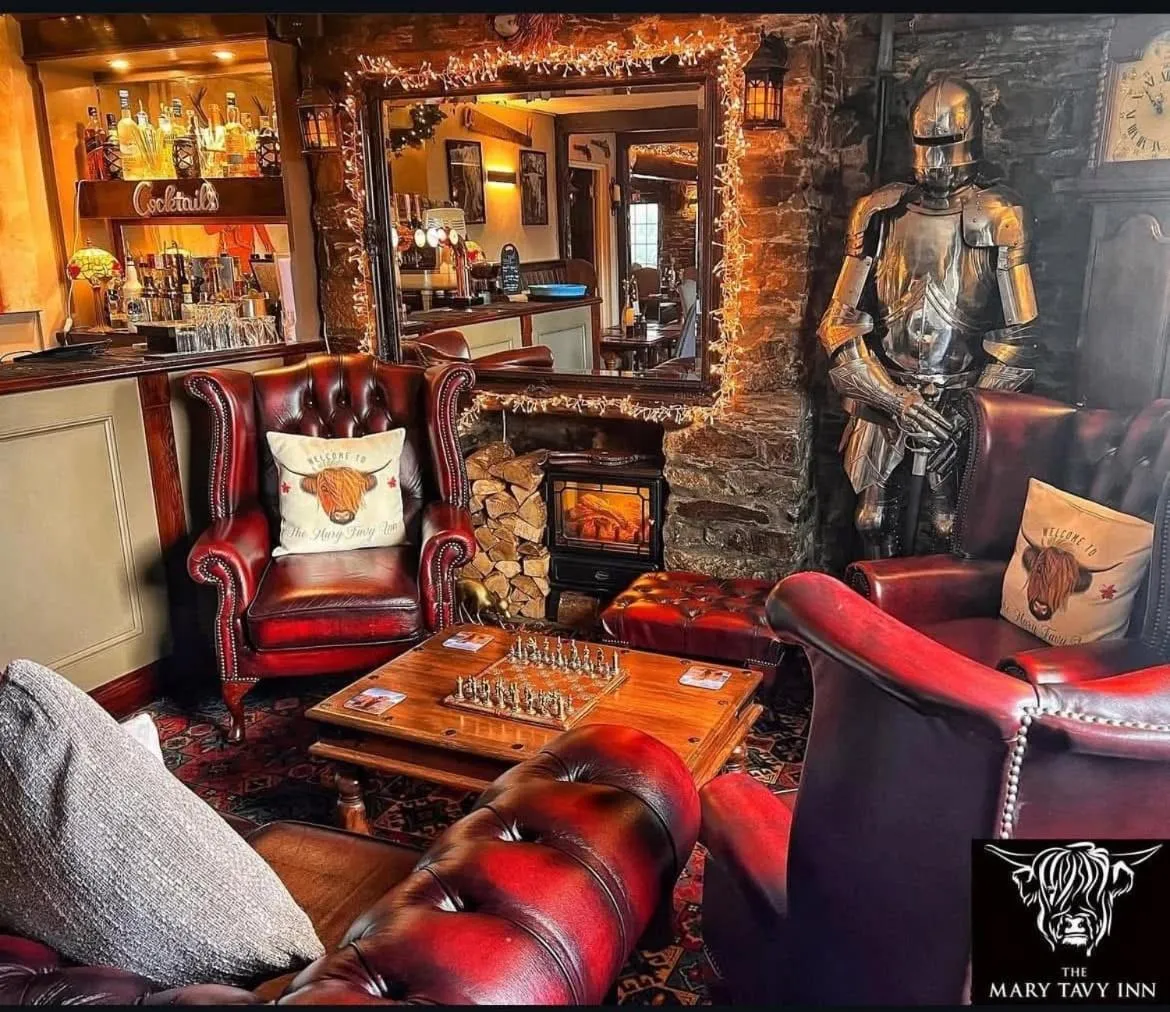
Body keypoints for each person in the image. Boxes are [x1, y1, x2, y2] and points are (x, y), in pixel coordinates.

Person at [817, 77, 1038, 558]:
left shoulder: (998, 213)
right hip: (887, 390)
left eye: (945, 142)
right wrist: (893, 398)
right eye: (925, 143)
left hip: (959, 396)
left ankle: (930, 620)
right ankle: (874, 613)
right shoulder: (879, 213)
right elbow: (839, 322)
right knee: (870, 520)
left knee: (947, 526)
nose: (935, 159)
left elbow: (1020, 338)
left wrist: (963, 415)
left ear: (971, 138)